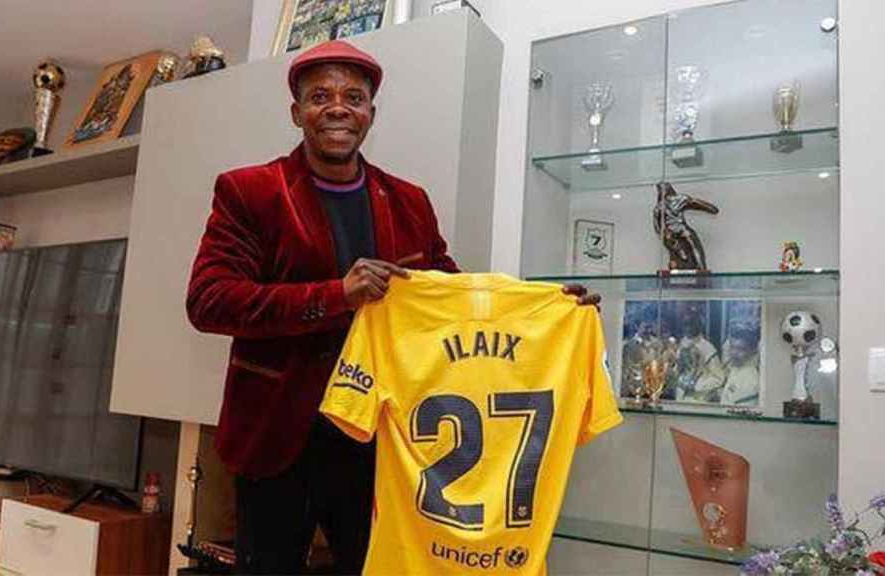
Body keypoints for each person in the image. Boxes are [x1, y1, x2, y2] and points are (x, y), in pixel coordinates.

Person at [185, 40, 599, 575]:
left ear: (370, 115)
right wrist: (338, 295)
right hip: (278, 439)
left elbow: (451, 295)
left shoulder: (408, 200)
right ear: (296, 112)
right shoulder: (250, 191)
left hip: (382, 444)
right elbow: (209, 301)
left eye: (353, 97)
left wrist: (545, 306)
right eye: (320, 96)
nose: (337, 107)